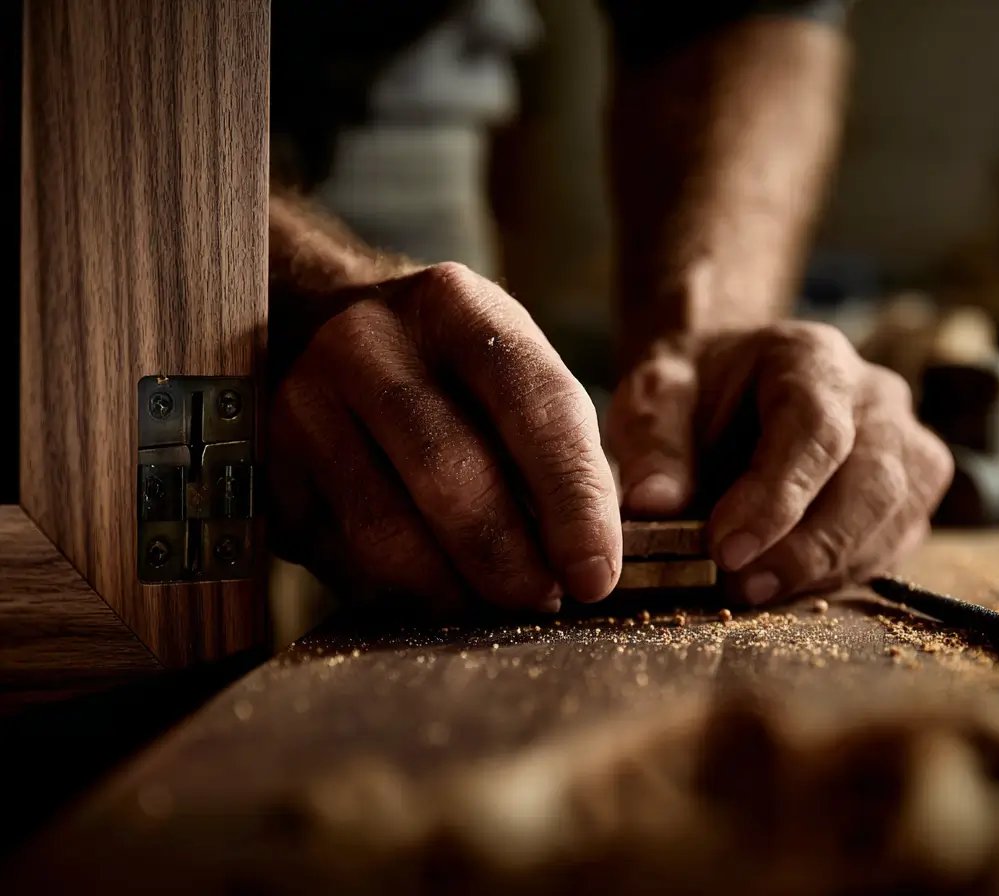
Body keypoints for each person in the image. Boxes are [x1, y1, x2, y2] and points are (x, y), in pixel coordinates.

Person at [266, 0, 952, 614]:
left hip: (416, 121)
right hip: (176, 200)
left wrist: (702, 344)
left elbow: (744, 11)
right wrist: (282, 288)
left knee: (452, 509)